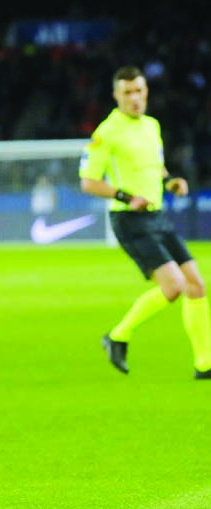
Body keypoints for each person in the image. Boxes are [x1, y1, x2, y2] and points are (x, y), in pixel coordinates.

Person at [80, 65, 211, 378]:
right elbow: (88, 181)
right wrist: (127, 197)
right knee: (174, 286)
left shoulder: (151, 125)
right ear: (116, 96)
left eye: (139, 91)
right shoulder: (106, 133)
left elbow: (156, 168)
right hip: (130, 219)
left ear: (146, 92)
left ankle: (205, 364)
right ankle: (117, 336)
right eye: (127, 93)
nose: (134, 98)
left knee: (196, 285)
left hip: (157, 216)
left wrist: (171, 182)